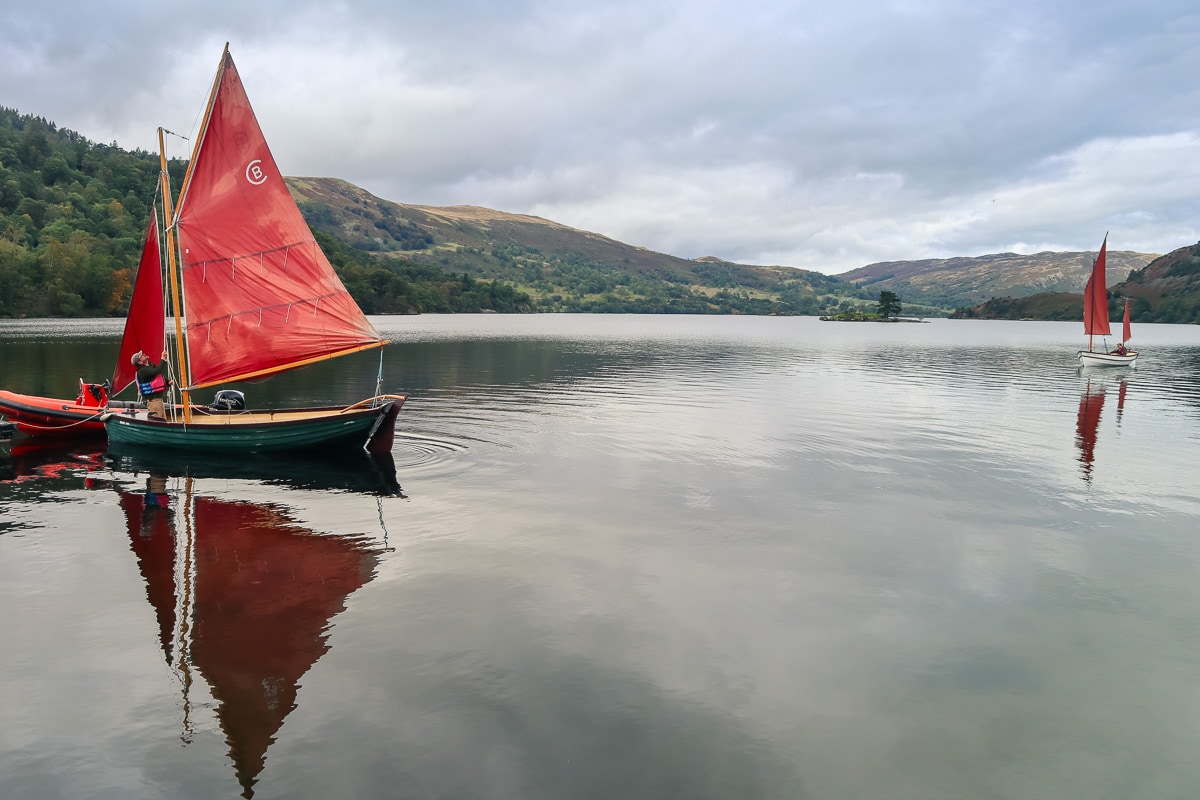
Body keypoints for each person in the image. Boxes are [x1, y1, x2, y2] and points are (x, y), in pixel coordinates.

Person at [133, 349, 171, 419]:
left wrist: (167, 382)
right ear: (140, 362)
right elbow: (157, 370)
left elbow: (159, 375)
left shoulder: (150, 365)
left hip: (158, 399)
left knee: (162, 419)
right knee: (157, 420)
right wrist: (163, 358)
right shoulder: (142, 371)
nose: (144, 354)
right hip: (153, 400)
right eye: (141, 356)